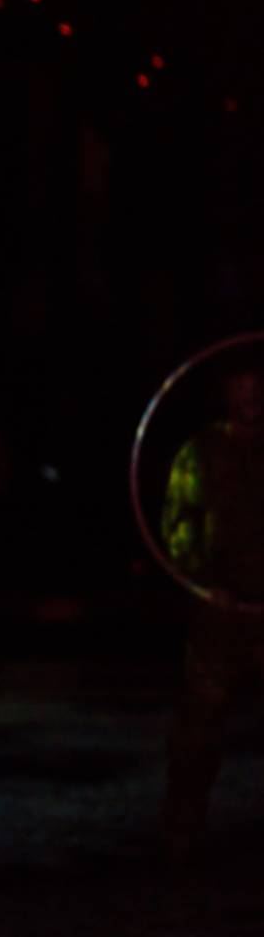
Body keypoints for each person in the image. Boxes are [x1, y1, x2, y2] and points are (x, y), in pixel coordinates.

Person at [161, 364, 264, 858]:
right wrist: (201, 583)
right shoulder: (202, 452)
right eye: (242, 390)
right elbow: (178, 523)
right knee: (200, 723)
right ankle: (182, 829)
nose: (251, 400)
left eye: (258, 390)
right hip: (219, 608)